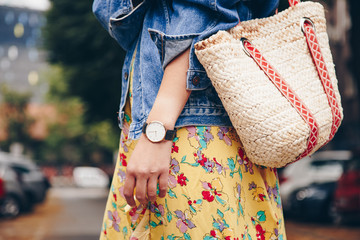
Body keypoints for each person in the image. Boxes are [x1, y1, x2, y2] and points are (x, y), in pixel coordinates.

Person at [93, 0, 286, 239]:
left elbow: (208, 8)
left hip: (187, 127)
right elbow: (116, 18)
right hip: (154, 123)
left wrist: (158, 131)